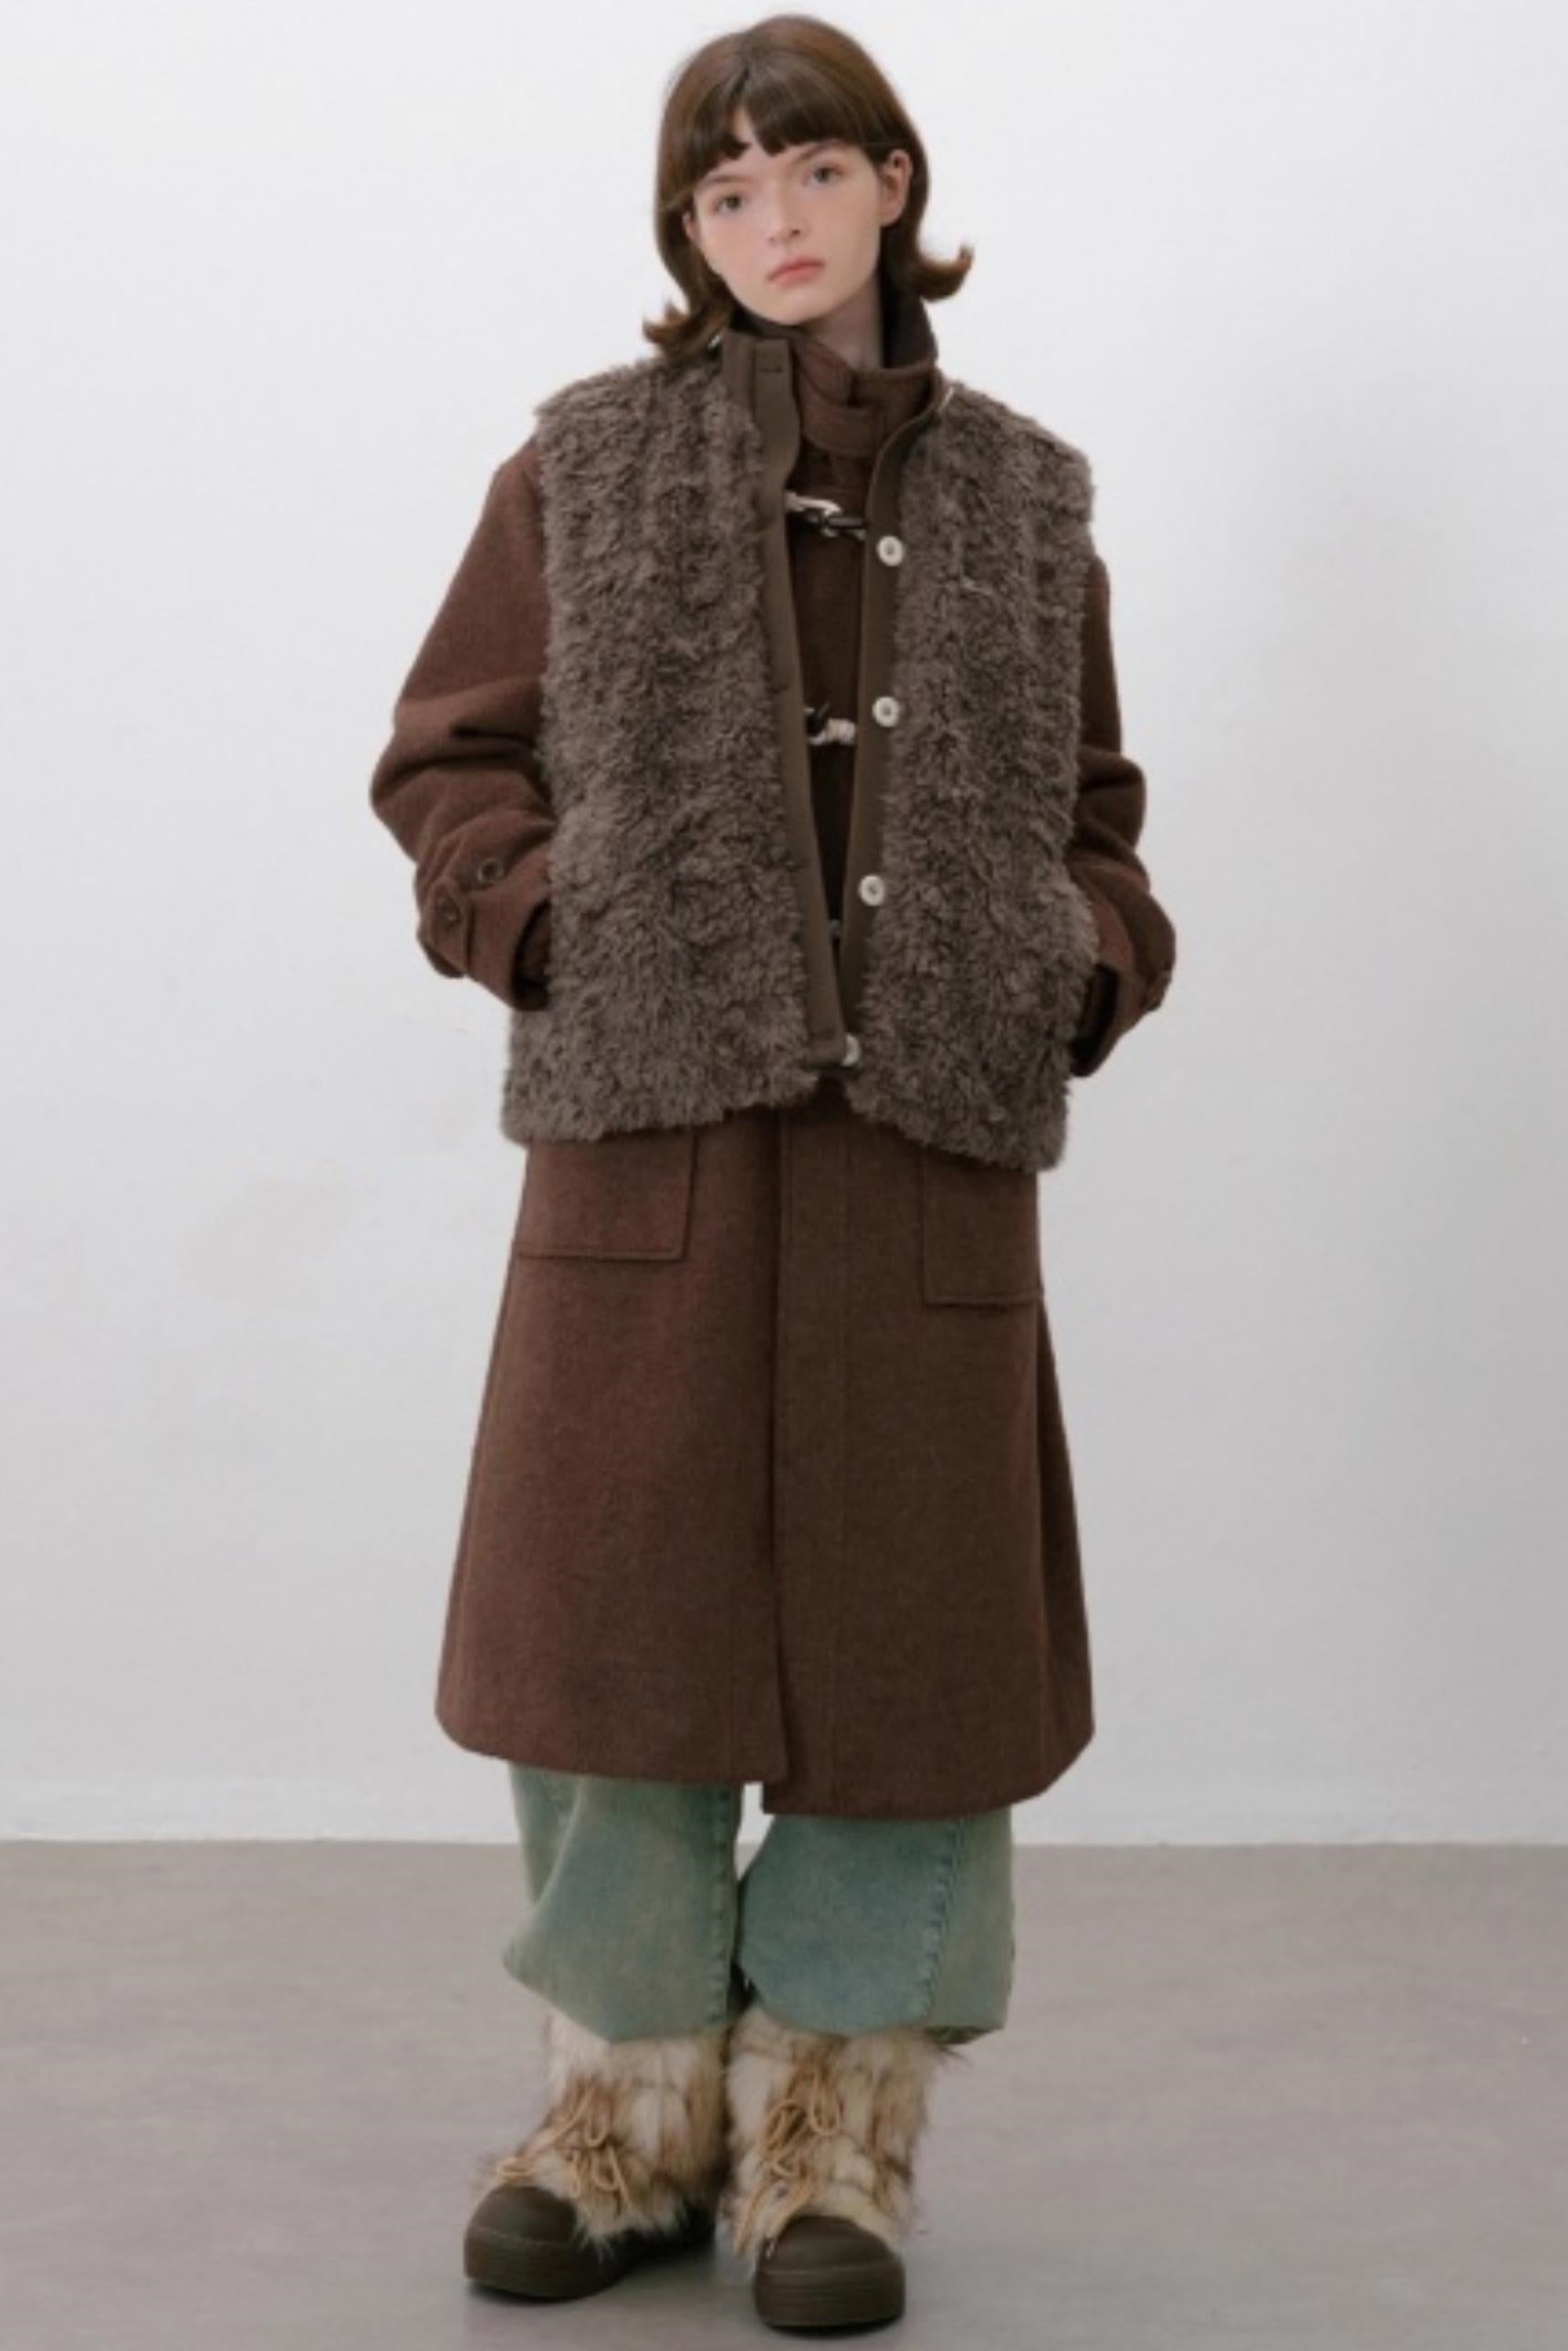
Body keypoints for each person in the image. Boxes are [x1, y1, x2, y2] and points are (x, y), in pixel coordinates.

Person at [368, 13, 1176, 2331]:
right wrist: (551, 924)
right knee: (612, 1644)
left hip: (924, 1164)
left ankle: (835, 2139)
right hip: (653, 1149)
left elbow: (1099, 818)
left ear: (893, 184)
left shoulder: (1024, 495)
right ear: (687, 229)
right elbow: (446, 760)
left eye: (810, 171)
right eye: (722, 192)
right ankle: (618, 2117)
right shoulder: (580, 467)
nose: (772, 221)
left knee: (912, 1667)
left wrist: (1076, 958)